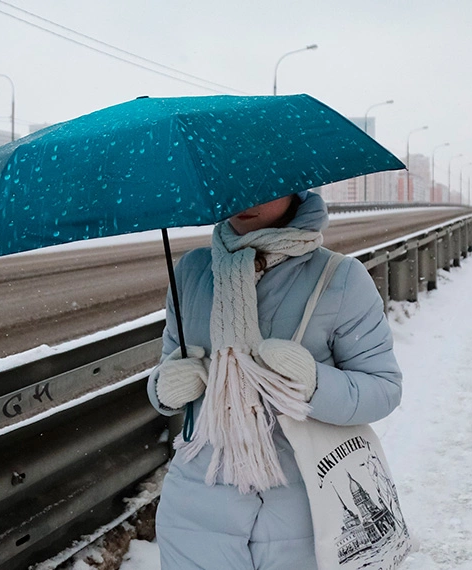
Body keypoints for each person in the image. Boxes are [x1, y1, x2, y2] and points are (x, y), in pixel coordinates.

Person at [148, 190, 403, 570]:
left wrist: (313, 383)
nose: (243, 197)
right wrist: (164, 387)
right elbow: (167, 368)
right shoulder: (192, 272)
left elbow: (383, 390)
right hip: (193, 517)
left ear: (296, 186)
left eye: (262, 186)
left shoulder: (339, 277)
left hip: (304, 519)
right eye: (232, 183)